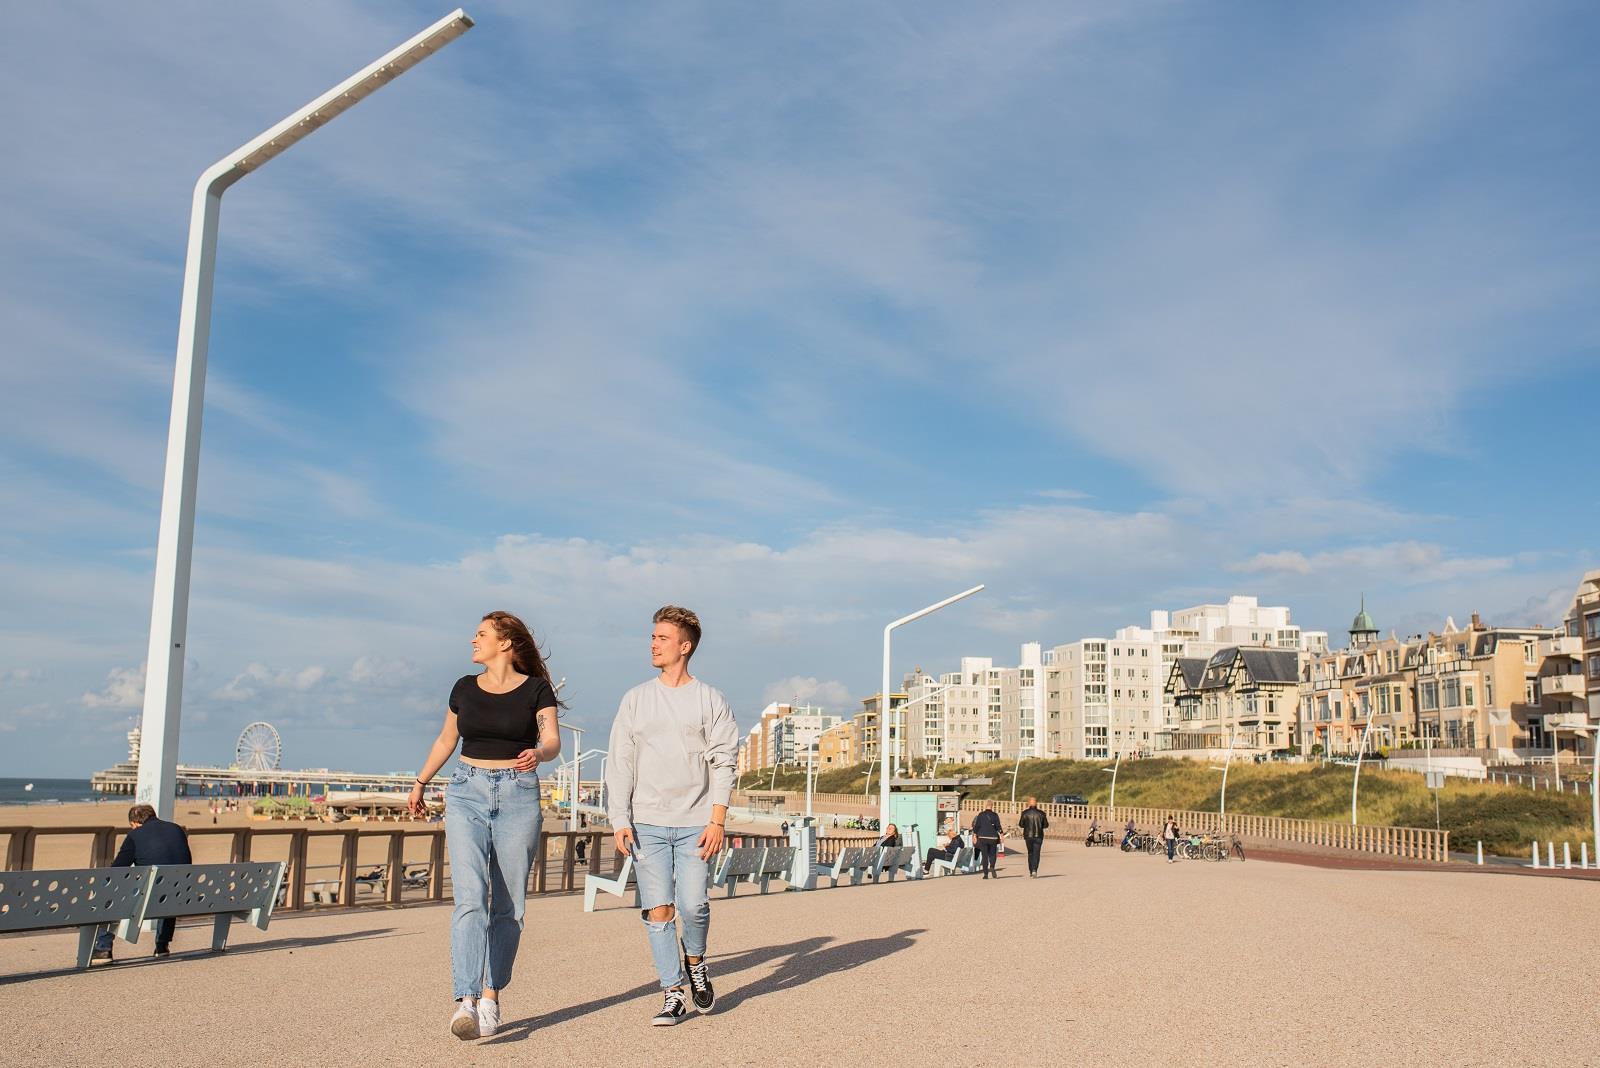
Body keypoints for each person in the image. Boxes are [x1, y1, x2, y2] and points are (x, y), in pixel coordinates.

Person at [408, 612, 562, 1041]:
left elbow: (551, 738)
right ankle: (466, 1001)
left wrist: (539, 753)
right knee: (470, 899)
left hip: (518, 794)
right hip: (465, 792)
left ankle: (492, 997)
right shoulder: (463, 687)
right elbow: (446, 739)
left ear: (506, 642)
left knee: (508, 909)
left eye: (481, 634)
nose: (473, 640)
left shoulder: (536, 689)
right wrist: (420, 783)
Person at [606, 605, 738, 1027]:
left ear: (685, 646)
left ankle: (696, 962)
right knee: (659, 909)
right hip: (646, 822)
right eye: (652, 637)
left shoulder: (710, 699)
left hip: (697, 823)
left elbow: (724, 763)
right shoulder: (635, 699)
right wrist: (619, 819)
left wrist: (717, 820)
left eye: (662, 638)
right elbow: (619, 761)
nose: (653, 644)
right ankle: (672, 992)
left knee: (694, 905)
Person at [90, 803, 192, 963]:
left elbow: (117, 870)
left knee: (108, 889)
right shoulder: (177, 829)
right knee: (169, 884)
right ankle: (162, 945)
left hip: (149, 898)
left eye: (132, 827)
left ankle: (103, 948)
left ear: (135, 823)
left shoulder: (135, 835)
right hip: (181, 893)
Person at [1018, 797, 1049, 878]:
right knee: (1037, 853)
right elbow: (1046, 825)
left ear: (1028, 803)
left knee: (1030, 853)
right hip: (1038, 836)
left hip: (1028, 836)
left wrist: (1027, 825)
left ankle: (1031, 871)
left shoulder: (1025, 813)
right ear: (1036, 803)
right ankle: (1034, 870)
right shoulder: (1041, 813)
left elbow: (1021, 824)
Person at [971, 802, 1003, 879]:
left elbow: (977, 826)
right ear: (992, 806)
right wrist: (1001, 834)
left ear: (985, 806)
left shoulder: (981, 815)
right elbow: (998, 826)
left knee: (984, 856)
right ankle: (992, 866)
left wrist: (974, 835)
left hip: (983, 837)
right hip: (993, 838)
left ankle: (985, 874)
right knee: (992, 854)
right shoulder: (995, 815)